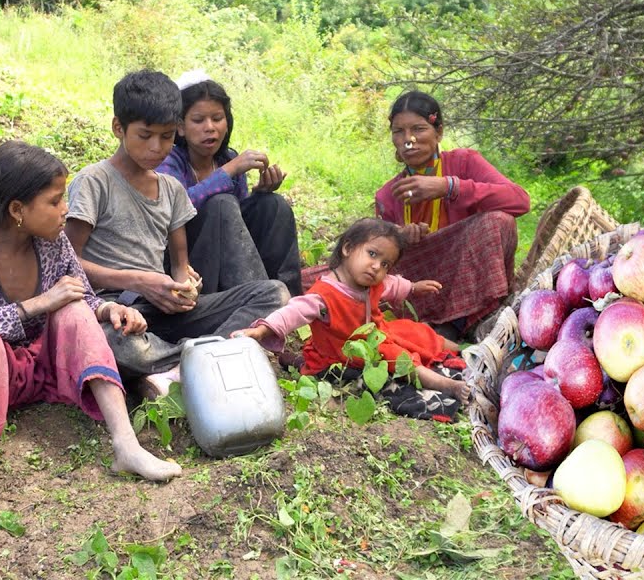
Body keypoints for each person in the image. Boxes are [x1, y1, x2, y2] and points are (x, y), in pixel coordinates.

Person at [0, 141, 181, 536]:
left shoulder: (54, 243)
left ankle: (126, 446)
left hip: (52, 369)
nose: (65, 211)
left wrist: (111, 310)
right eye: (55, 201)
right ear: (18, 210)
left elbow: (83, 297)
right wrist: (37, 304)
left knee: (74, 309)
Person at [63, 70, 290, 387]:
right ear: (118, 128)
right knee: (115, 344)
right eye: (145, 136)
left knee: (274, 294)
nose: (157, 147)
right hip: (115, 309)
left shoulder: (171, 189)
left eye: (167, 137)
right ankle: (208, 357)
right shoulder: (93, 181)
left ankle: (174, 368)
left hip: (162, 310)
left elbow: (180, 266)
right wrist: (141, 281)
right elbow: (68, 265)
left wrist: (184, 288)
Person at [238, 218, 469, 407]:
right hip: (343, 351)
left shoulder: (373, 283)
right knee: (400, 358)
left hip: (376, 335)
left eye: (386, 263)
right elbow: (293, 312)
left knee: (416, 331)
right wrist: (263, 329)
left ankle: (467, 352)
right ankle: (445, 384)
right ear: (348, 248)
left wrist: (414, 287)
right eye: (372, 254)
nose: (378, 266)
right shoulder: (324, 295)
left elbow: (392, 285)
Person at [373, 91, 530, 336]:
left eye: (418, 128)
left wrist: (449, 187)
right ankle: (433, 326)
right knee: (344, 265)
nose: (408, 139)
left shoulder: (465, 163)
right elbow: (383, 261)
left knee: (499, 221)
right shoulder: (387, 195)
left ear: (439, 132)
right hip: (421, 288)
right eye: (398, 132)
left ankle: (471, 319)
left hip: (470, 281)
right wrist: (399, 238)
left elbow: (520, 201)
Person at [157, 71, 303, 296]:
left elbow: (238, 225)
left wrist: (259, 194)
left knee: (273, 205)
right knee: (222, 203)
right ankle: (260, 299)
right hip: (186, 261)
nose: (210, 127)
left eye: (217, 118)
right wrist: (229, 171)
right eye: (198, 120)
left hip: (232, 258)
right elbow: (175, 208)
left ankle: (290, 300)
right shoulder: (170, 161)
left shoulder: (226, 157)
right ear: (181, 127)